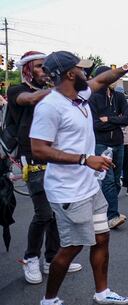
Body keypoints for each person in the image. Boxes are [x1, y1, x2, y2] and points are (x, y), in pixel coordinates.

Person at [30, 51, 128, 305]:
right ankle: (48, 303)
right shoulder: (50, 106)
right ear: (70, 74)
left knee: (102, 238)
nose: (86, 74)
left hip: (89, 187)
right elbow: (38, 149)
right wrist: (84, 159)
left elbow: (102, 80)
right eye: (82, 69)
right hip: (68, 191)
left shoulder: (78, 96)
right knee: (73, 247)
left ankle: (102, 294)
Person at [8, 51, 82, 285]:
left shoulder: (53, 93)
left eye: (46, 67)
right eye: (40, 67)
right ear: (28, 69)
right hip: (33, 161)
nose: (44, 71)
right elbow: (28, 100)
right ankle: (31, 258)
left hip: (55, 159)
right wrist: (61, 87)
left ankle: (51, 259)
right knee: (44, 214)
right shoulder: (17, 90)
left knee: (57, 213)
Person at [89, 66, 128, 229]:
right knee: (107, 180)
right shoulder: (92, 98)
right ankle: (112, 215)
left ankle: (105, 209)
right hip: (101, 144)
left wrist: (110, 119)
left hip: (118, 144)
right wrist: (116, 119)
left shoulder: (119, 96)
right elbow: (96, 124)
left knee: (116, 181)